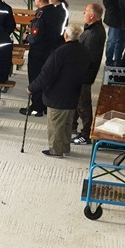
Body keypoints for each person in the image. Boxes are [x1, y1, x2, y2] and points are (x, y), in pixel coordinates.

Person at [29, 24, 91, 158]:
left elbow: (46, 75)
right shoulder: (83, 51)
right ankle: (64, 147)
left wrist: (32, 87)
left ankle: (56, 150)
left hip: (57, 94)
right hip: (73, 92)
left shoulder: (60, 52)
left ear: (66, 35)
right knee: (67, 124)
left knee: (55, 124)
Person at [21, 0, 66, 116]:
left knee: (36, 78)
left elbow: (36, 37)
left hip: (39, 52)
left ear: (39, 0)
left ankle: (37, 107)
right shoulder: (58, 12)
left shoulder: (41, 14)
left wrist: (27, 37)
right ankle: (47, 105)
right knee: (50, 77)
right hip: (53, 50)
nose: (35, 1)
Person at [72, 3, 106, 145]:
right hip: (81, 74)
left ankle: (86, 133)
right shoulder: (91, 29)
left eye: (85, 11)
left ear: (92, 16)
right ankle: (72, 126)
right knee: (76, 100)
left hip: (84, 75)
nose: (83, 13)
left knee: (83, 104)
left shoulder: (93, 34)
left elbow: (89, 59)